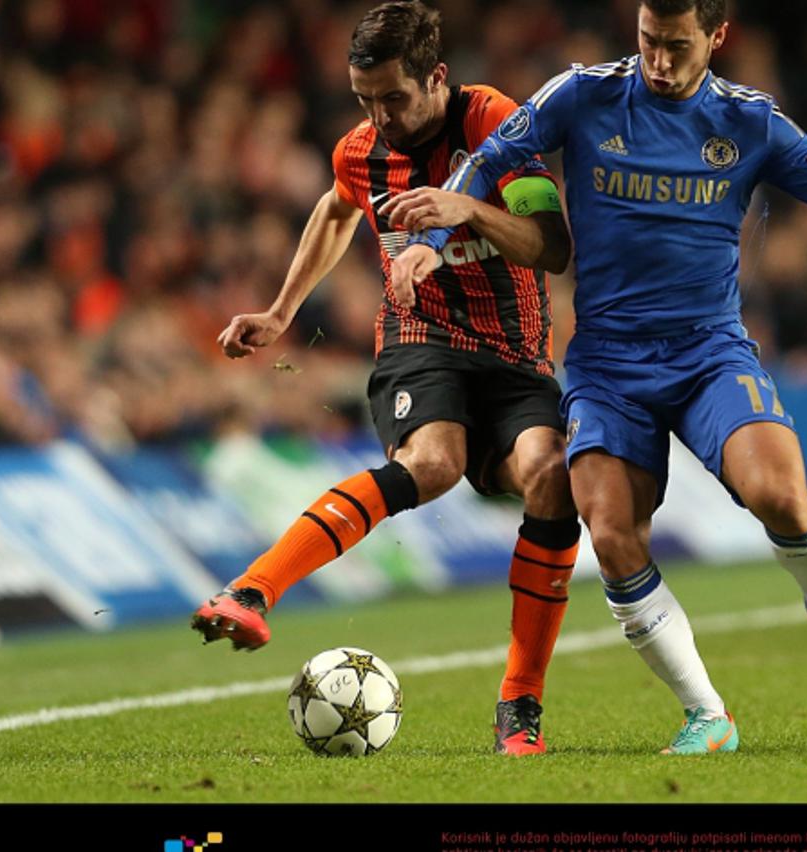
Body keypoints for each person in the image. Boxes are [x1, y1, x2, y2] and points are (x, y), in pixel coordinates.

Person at [387, 0, 807, 754]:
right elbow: (488, 160)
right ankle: (707, 713)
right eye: (648, 42)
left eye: (677, 47)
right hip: (608, 367)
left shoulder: (751, 122)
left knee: (779, 495)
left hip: (709, 355)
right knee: (610, 534)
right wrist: (435, 236)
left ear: (718, 37)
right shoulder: (582, 94)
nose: (660, 63)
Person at [191, 1, 579, 756]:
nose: (380, 117)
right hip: (420, 339)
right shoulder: (361, 150)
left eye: (393, 99)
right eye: (364, 100)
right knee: (431, 463)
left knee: (552, 476)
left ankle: (519, 705)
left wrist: (463, 210)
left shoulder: (495, 124)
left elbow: (551, 245)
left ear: (437, 77)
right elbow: (337, 211)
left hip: (514, 355)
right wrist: (279, 311)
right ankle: (250, 591)